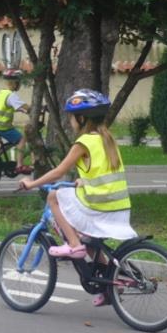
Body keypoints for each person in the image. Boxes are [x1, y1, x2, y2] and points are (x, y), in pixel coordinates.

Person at [18, 90, 135, 306]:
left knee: (54, 196)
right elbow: (102, 172)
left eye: (72, 117)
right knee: (90, 240)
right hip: (118, 205)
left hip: (98, 205)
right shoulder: (107, 138)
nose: (70, 122)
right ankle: (108, 286)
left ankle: (73, 245)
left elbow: (58, 172)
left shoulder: (83, 142)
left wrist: (31, 183)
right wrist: (84, 181)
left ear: (81, 118)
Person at [0, 68, 32, 174]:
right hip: (2, 126)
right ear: (15, 82)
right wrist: (32, 109)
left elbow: (12, 107)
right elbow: (24, 106)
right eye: (19, 82)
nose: (20, 84)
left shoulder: (2, 93)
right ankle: (19, 165)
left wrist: (22, 110)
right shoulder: (11, 95)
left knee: (9, 143)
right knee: (21, 140)